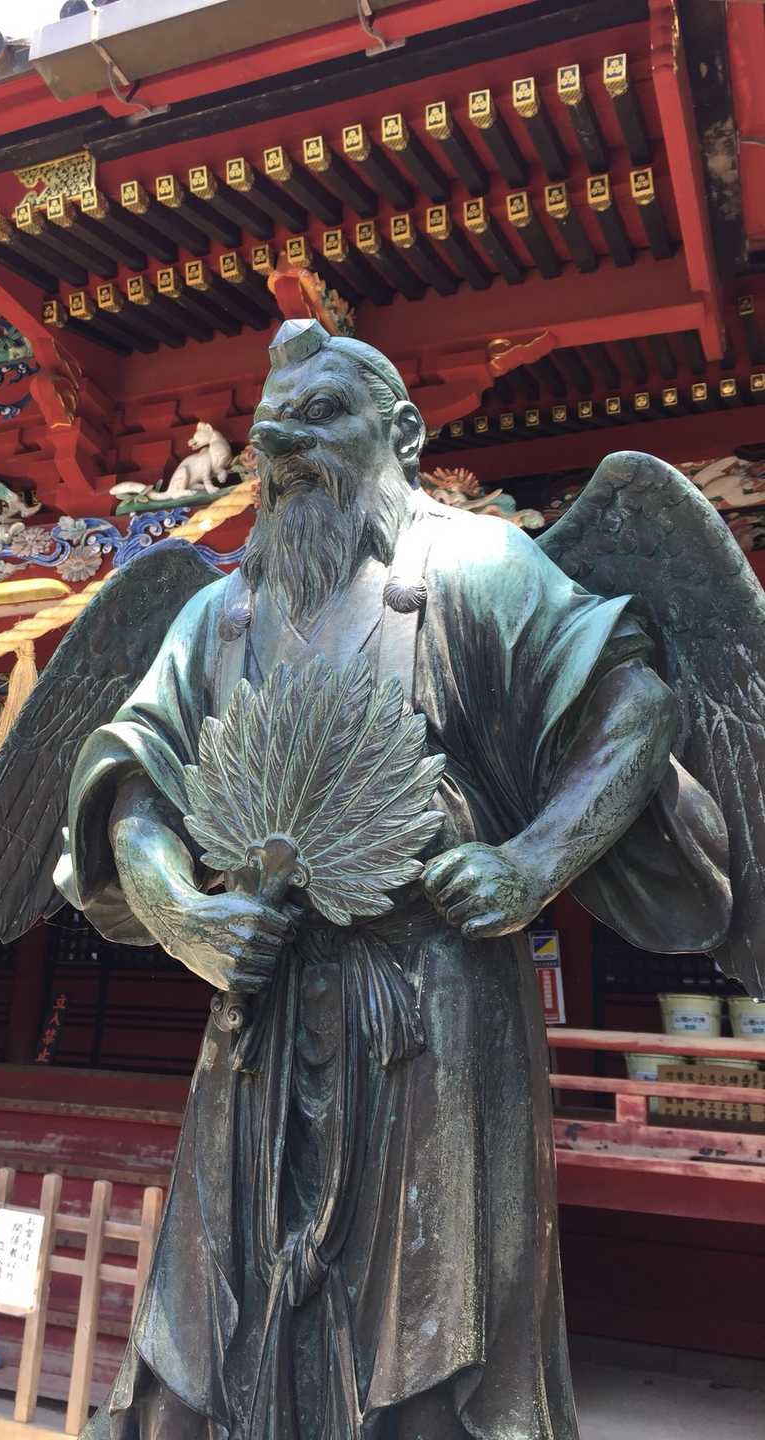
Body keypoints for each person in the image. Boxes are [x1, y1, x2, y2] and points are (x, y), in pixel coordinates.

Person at [59, 320, 731, 1439]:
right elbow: (131, 783)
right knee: (208, 1336)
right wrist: (182, 912)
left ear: (404, 434)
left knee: (430, 1341)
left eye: (322, 415)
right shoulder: (219, 615)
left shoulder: (478, 565)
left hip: (434, 994)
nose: (284, 444)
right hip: (258, 1003)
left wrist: (532, 860)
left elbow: (636, 706)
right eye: (272, 429)